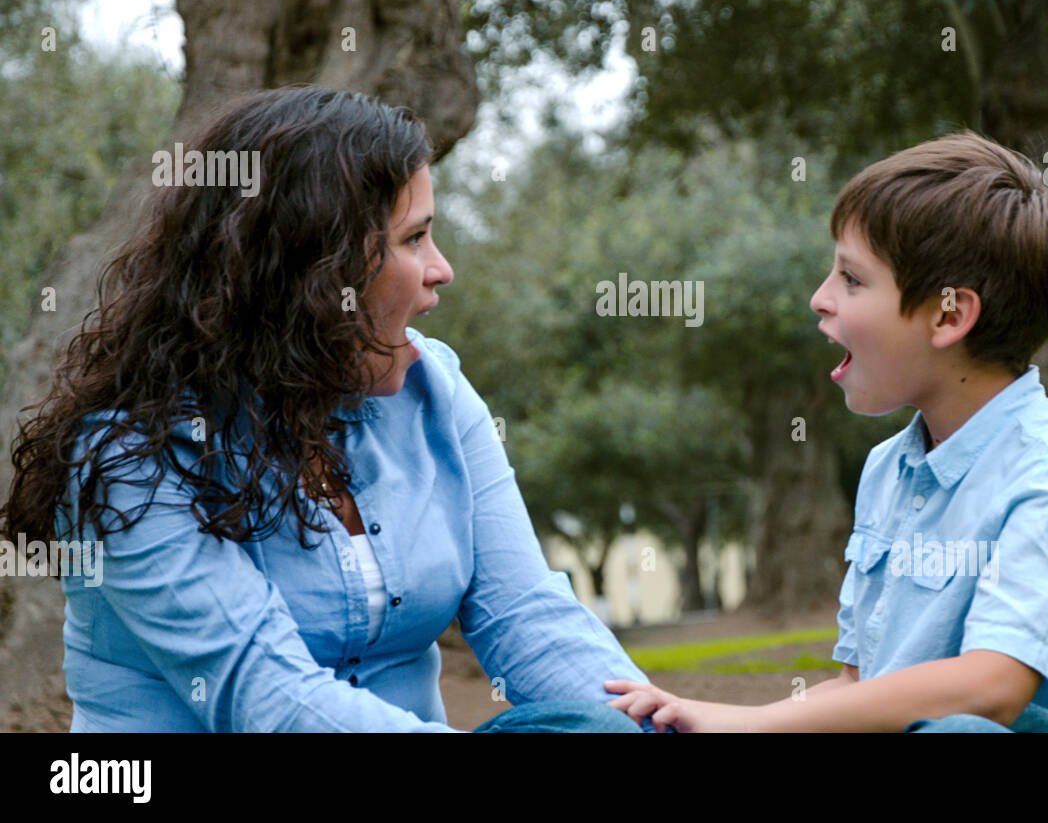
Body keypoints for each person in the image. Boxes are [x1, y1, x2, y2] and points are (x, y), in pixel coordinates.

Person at [3, 85, 645, 733]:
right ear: (314, 272)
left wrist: (654, 724)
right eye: (414, 237)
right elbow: (269, 698)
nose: (442, 269)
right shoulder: (129, 456)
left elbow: (528, 616)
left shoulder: (437, 392)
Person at [605, 132, 1048, 732]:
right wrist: (725, 723)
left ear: (949, 315)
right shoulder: (887, 469)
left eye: (851, 279)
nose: (820, 298)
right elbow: (859, 685)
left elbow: (993, 685)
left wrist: (752, 723)